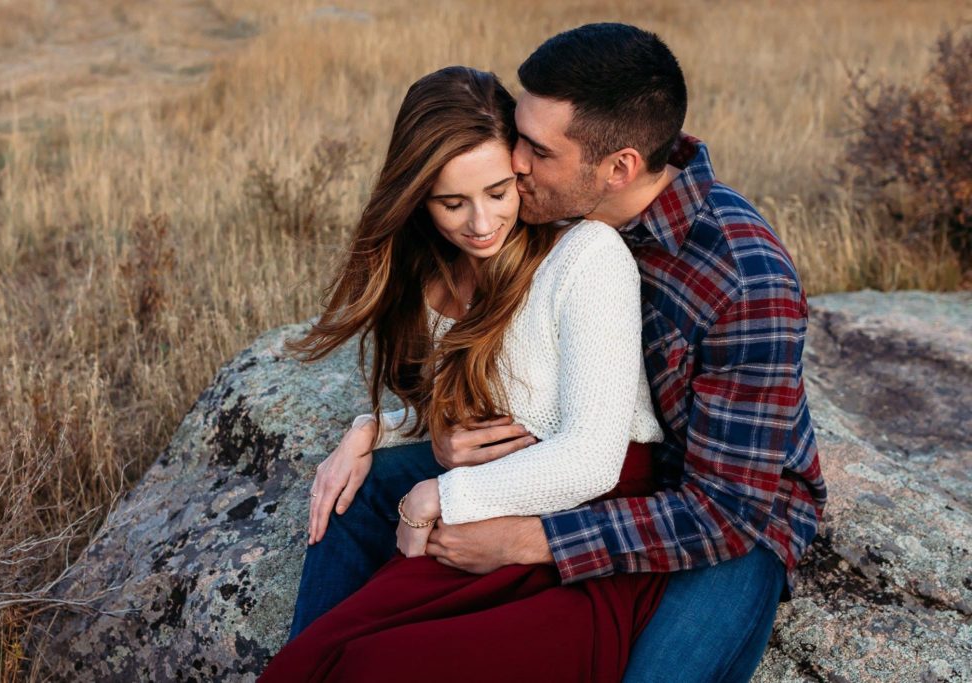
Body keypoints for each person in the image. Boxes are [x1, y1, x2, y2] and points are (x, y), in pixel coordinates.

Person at [288, 22, 829, 683]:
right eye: (518, 135)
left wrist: (529, 538)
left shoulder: (743, 281)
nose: (514, 163)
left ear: (619, 167)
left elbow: (726, 511)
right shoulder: (558, 211)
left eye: (536, 151)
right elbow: (514, 373)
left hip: (713, 516)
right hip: (572, 462)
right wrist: (383, 428)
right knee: (360, 491)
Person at [260, 65, 667, 682]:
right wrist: (371, 429)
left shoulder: (587, 256)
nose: (481, 224)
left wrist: (439, 495)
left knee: (373, 664)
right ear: (418, 198)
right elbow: (474, 415)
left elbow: (590, 459)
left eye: (499, 192)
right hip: (488, 502)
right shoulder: (430, 277)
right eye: (452, 203)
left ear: (520, 169)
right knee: (316, 659)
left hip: (576, 532)